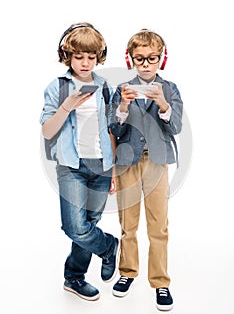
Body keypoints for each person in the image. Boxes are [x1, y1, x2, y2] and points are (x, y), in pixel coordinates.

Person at [40, 22, 119, 301]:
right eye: (79, 56)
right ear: (67, 56)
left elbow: (111, 130)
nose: (85, 63)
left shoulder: (105, 87)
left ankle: (74, 278)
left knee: (89, 221)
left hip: (101, 165)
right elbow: (48, 130)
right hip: (71, 167)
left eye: (91, 56)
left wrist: (114, 172)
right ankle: (108, 247)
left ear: (99, 56)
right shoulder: (58, 87)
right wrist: (66, 107)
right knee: (74, 227)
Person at [110, 29, 183, 311]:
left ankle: (160, 281)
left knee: (158, 225)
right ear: (130, 60)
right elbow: (114, 129)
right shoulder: (122, 90)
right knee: (128, 224)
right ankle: (127, 272)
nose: (145, 64)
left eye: (151, 58)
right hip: (127, 162)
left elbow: (175, 127)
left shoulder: (171, 89)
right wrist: (124, 106)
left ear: (161, 59)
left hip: (157, 161)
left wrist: (163, 103)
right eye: (139, 58)